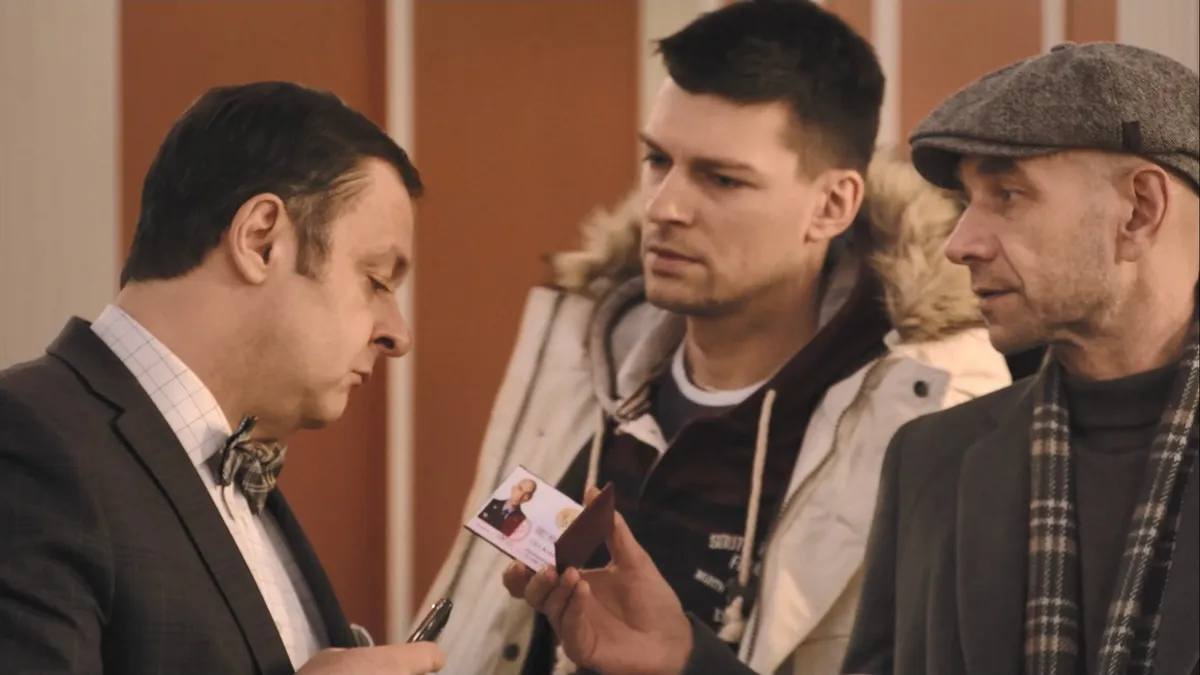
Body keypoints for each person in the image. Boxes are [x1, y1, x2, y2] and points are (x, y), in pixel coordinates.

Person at [503, 41, 1200, 675]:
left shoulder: (918, 403)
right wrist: (684, 659)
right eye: (966, 200)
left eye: (1008, 196)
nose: (960, 243)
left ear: (1139, 209)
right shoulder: (936, 457)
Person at [425, 2, 1011, 674]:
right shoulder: (581, 348)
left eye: (722, 179)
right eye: (657, 159)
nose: (663, 207)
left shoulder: (935, 412)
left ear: (831, 206)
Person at [0, 82, 444, 675]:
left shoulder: (235, 475)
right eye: (378, 280)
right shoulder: (25, 440)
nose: (398, 335)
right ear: (261, 240)